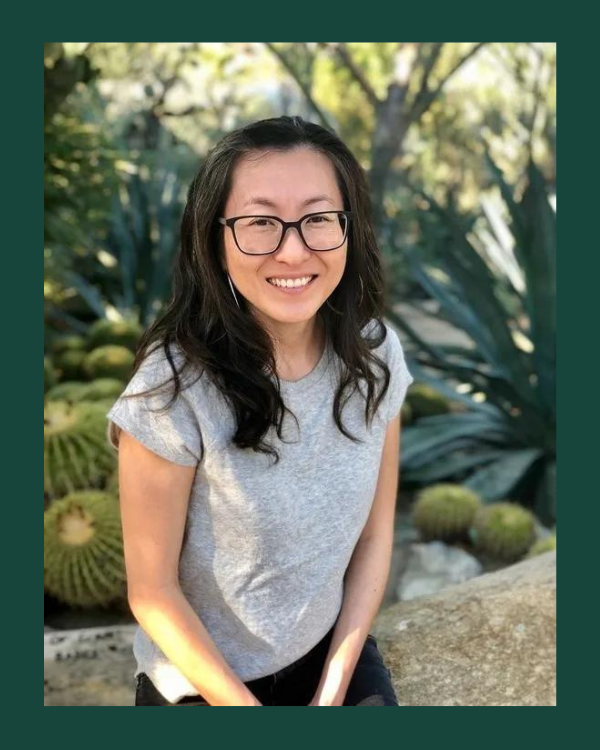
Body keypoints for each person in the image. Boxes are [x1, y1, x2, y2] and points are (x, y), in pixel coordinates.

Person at [106, 115, 414, 706]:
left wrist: (335, 685)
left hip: (327, 653)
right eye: (260, 222)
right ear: (215, 237)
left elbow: (376, 537)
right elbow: (153, 592)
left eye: (319, 218)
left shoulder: (375, 354)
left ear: (350, 230)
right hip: (200, 682)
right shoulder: (169, 391)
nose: (293, 250)